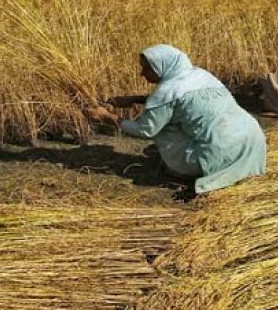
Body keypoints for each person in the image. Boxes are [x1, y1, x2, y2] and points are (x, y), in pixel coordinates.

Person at [85, 44, 266, 197]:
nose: (142, 73)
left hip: (221, 152)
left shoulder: (167, 91)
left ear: (162, 66)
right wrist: (134, 99)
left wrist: (108, 117)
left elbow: (146, 130)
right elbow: (181, 100)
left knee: (161, 126)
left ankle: (182, 170)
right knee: (169, 117)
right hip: (252, 141)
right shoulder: (200, 75)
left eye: (147, 68)